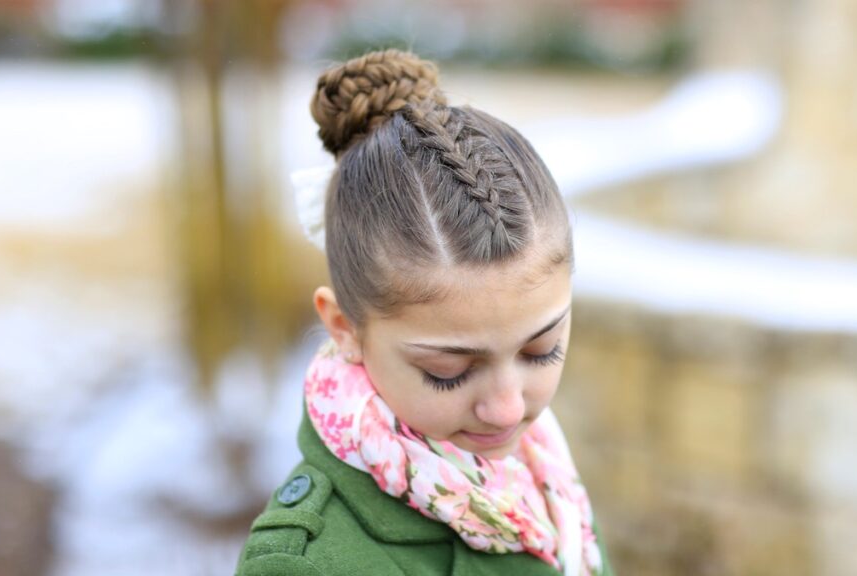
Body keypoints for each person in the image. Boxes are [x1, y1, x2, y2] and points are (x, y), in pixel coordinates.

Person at [235, 49, 613, 576]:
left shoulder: (540, 466)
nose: (507, 410)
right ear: (345, 327)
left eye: (540, 350)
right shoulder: (310, 564)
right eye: (448, 372)